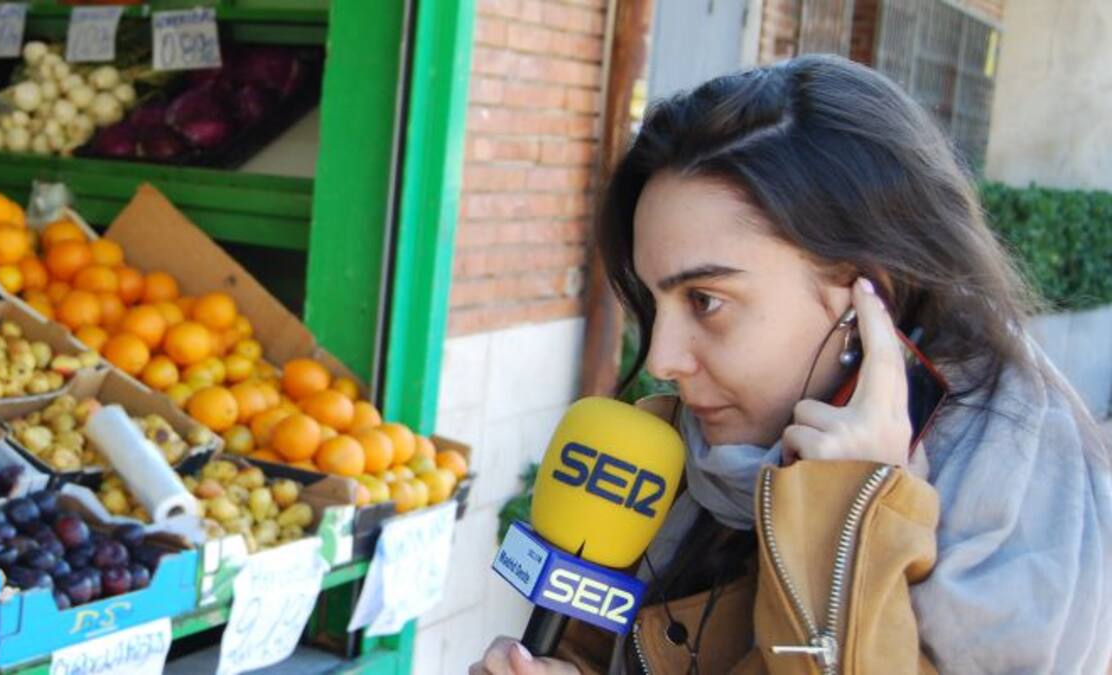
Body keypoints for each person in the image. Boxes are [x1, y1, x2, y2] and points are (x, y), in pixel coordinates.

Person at [471, 54, 1112, 674]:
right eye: (654, 301)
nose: (663, 360)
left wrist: (847, 515)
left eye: (706, 301)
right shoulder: (675, 457)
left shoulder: (1022, 518)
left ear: (868, 296)